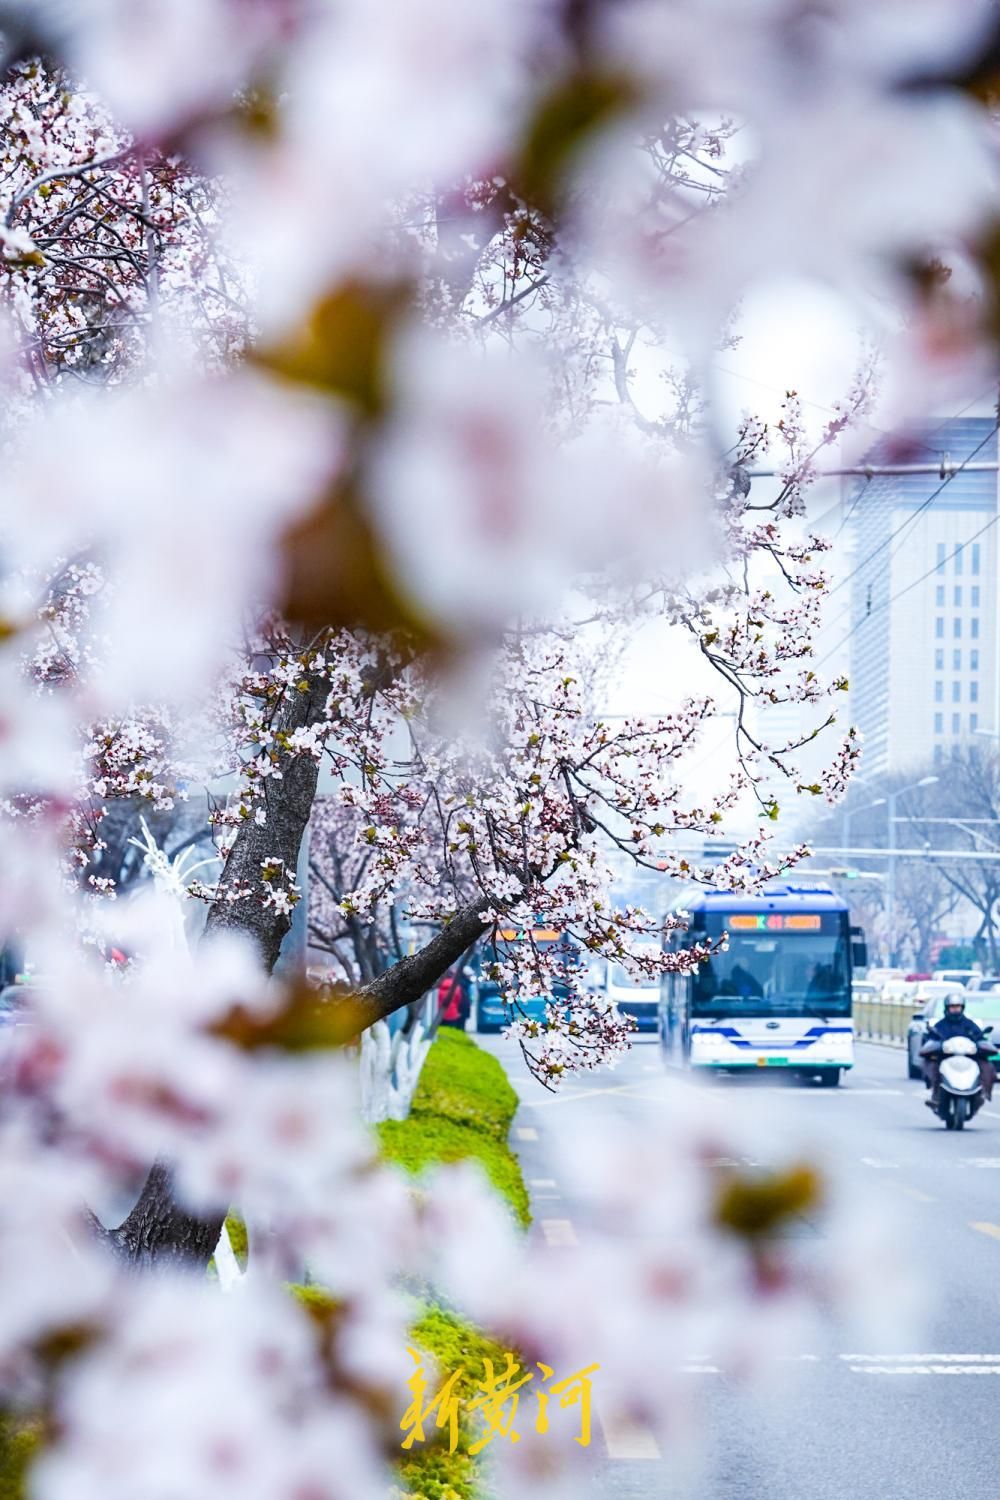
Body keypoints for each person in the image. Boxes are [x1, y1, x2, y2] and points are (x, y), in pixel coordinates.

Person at [923, 992, 995, 1108]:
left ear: (962, 1008)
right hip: (946, 1056)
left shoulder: (969, 1024)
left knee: (987, 1066)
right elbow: (932, 1038)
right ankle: (935, 1094)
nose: (955, 1010)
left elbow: (979, 1037)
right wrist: (937, 1046)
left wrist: (980, 1044)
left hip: (969, 1056)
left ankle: (983, 1092)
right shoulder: (941, 1025)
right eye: (952, 1007)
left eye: (958, 1007)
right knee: (932, 1065)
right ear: (947, 1008)